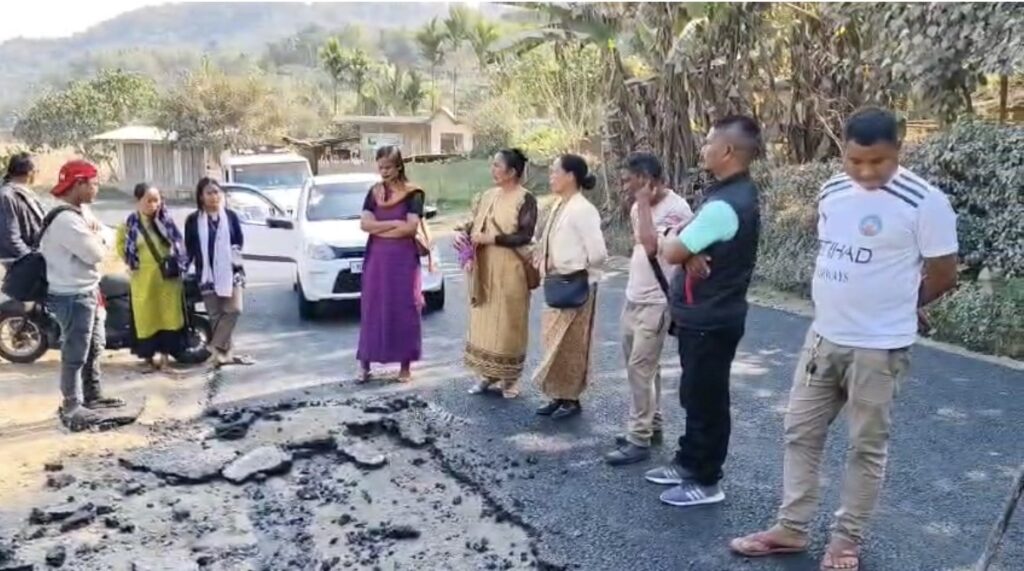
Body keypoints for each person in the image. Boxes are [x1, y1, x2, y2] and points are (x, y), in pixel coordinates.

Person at [730, 107, 959, 571]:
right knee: (800, 433)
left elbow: (943, 274)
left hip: (879, 347)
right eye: (856, 160)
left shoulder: (924, 201)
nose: (866, 171)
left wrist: (902, 305)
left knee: (865, 446)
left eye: (879, 161)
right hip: (823, 336)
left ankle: (846, 541)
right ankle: (791, 529)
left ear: (899, 149)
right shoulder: (832, 189)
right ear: (842, 153)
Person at [645, 115, 763, 507]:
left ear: (728, 150)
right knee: (694, 393)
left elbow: (674, 250)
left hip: (712, 318)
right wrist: (683, 243)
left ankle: (707, 479)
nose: (703, 148)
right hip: (704, 314)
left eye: (709, 142)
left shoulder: (726, 204)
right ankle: (688, 461)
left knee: (707, 398)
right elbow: (682, 245)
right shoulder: (726, 193)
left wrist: (676, 241)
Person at [605, 152, 693, 466]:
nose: (625, 186)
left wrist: (643, 203)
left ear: (647, 180)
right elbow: (640, 247)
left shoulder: (677, 209)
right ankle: (651, 425)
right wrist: (640, 205)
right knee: (643, 368)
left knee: (640, 369)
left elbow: (653, 246)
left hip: (657, 302)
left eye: (630, 180)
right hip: (634, 297)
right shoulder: (635, 208)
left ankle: (638, 438)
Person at [40, 160, 124, 430]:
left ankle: (93, 396)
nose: (96, 188)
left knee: (94, 346)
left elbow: (108, 235)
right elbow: (97, 253)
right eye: (93, 183)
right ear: (78, 183)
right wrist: (99, 238)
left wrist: (100, 236)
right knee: (75, 352)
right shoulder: (66, 220)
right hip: (73, 295)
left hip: (88, 291)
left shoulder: (80, 212)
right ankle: (71, 405)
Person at [532, 154, 607, 420]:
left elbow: (598, 253)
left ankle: (572, 399)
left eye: (555, 172)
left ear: (571, 176)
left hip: (576, 284)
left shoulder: (583, 209)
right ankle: (557, 394)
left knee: (573, 345)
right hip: (555, 282)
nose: (551, 177)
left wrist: (568, 265)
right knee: (553, 342)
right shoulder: (558, 206)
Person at [460, 148, 538, 399]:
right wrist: (463, 235)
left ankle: (510, 380)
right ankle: (486, 375)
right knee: (483, 321)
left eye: (497, 165)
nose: (492, 169)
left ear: (512, 171)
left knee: (509, 324)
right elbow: (473, 224)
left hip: (511, 269)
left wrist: (491, 238)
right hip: (485, 269)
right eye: (492, 164)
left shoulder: (525, 199)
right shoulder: (487, 196)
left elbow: (524, 236)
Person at [357, 145, 425, 384]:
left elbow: (411, 228)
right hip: (377, 259)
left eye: (388, 167)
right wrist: (393, 224)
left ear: (398, 167)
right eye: (380, 167)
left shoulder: (413, 193)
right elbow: (364, 225)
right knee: (372, 307)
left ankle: (405, 366)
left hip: (403, 261)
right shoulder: (373, 192)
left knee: (404, 306)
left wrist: (381, 228)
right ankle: (365, 365)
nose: (384, 172)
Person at [116, 183, 187, 371]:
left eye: (156, 200)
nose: (153, 204)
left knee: (168, 318)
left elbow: (179, 245)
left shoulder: (166, 221)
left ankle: (165, 360)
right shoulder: (129, 224)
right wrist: (132, 262)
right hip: (143, 280)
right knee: (146, 320)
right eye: (149, 200)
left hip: (167, 280)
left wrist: (176, 260)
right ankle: (148, 360)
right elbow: (120, 246)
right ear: (138, 201)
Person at [184, 177, 251, 368]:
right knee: (216, 315)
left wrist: (229, 258)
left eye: (216, 192)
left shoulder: (230, 216)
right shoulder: (193, 220)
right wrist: (182, 268)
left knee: (234, 309)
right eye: (209, 193)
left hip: (232, 271)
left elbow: (238, 241)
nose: (214, 197)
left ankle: (215, 347)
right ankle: (224, 355)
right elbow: (189, 248)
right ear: (201, 196)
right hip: (206, 274)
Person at [0, 152, 46, 266]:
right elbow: (10, 238)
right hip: (20, 264)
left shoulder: (25, 192)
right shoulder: (7, 196)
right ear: (30, 172)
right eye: (37, 171)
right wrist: (32, 260)